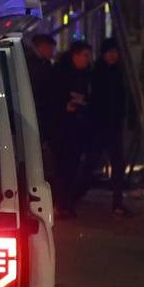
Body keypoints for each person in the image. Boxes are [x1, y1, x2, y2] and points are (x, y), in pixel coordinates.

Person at [47, 40, 96, 217]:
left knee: (73, 167)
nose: (87, 59)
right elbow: (50, 98)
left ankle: (66, 202)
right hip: (61, 128)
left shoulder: (87, 75)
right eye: (84, 55)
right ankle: (60, 203)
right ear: (75, 55)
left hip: (78, 126)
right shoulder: (60, 72)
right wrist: (64, 106)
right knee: (61, 167)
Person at [90, 38, 135, 216]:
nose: (113, 56)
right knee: (91, 163)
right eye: (110, 52)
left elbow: (121, 97)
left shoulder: (118, 72)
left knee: (118, 163)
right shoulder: (98, 72)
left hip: (114, 125)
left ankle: (117, 202)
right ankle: (69, 200)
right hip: (100, 125)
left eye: (115, 52)